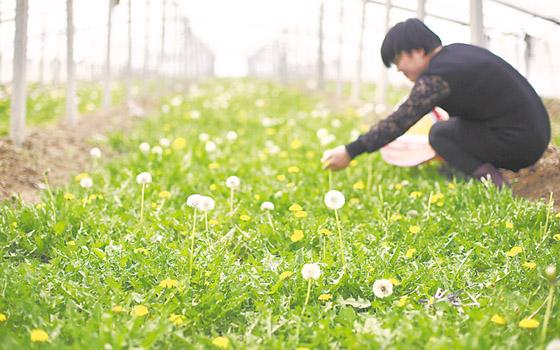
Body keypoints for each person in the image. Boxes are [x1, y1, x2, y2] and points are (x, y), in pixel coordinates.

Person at [322, 18, 550, 188]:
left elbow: (400, 120)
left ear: (418, 51)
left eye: (398, 59)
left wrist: (350, 151)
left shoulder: (436, 77)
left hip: (519, 143)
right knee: (451, 126)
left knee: (440, 134)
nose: (399, 68)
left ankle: (493, 183)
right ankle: (478, 171)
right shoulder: (457, 54)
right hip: (533, 136)